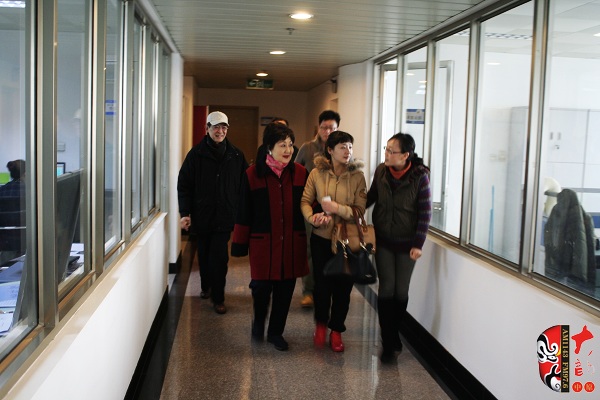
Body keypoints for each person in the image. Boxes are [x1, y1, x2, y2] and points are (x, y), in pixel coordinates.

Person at [231, 122, 309, 351]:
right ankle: (258, 323)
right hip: (263, 245)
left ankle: (276, 333)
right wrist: (239, 243)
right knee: (261, 290)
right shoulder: (252, 175)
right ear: (269, 147)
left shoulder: (300, 173)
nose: (288, 150)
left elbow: (310, 205)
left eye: (290, 145)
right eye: (282, 145)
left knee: (285, 293)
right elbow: (243, 211)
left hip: (291, 245)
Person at [366, 133, 432, 363]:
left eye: (391, 151)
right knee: (386, 289)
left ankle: (393, 333)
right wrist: (350, 211)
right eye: (386, 149)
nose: (386, 154)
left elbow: (425, 212)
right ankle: (388, 340)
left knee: (401, 292)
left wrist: (418, 244)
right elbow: (371, 197)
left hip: (407, 243)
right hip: (384, 239)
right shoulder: (381, 171)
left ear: (405, 155)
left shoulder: (420, 177)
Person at [300, 130, 366, 352]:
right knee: (321, 285)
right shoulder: (316, 173)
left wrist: (337, 208)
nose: (348, 151)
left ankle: (336, 330)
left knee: (343, 288)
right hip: (321, 237)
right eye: (342, 147)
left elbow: (359, 211)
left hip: (347, 240)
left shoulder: (357, 177)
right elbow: (305, 201)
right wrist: (313, 218)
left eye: (350, 147)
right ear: (330, 150)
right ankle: (320, 324)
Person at [177, 111, 248, 314]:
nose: (220, 131)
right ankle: (206, 285)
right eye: (216, 127)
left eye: (224, 127)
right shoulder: (195, 155)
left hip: (225, 215)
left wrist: (242, 211)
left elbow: (245, 186)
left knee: (219, 258)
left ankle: (218, 298)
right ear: (207, 128)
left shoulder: (236, 155)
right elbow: (184, 185)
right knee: (205, 254)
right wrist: (185, 213)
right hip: (202, 215)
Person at [295, 110, 341, 308]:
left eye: (331, 128)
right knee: (310, 250)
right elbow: (294, 172)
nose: (327, 131)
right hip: (312, 207)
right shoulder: (307, 148)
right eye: (324, 127)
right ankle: (308, 291)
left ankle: (327, 290)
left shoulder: (341, 148)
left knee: (332, 249)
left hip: (335, 209)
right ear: (318, 127)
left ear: (337, 128)